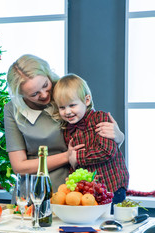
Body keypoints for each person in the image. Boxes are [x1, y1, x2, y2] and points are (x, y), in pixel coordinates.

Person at [4, 54, 124, 196]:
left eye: (45, 85)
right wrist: (68, 156)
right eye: (34, 94)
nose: (44, 95)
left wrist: (119, 137)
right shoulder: (12, 109)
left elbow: (95, 140)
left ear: (48, 75)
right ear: (20, 95)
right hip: (33, 190)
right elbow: (19, 167)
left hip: (73, 189)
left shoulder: (65, 91)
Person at [52, 73, 129, 204]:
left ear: (87, 100)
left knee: (109, 221)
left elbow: (107, 151)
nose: (67, 112)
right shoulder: (67, 129)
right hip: (88, 193)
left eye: (72, 105)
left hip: (112, 187)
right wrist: (72, 165)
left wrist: (77, 157)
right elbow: (74, 162)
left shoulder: (100, 118)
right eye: (62, 107)